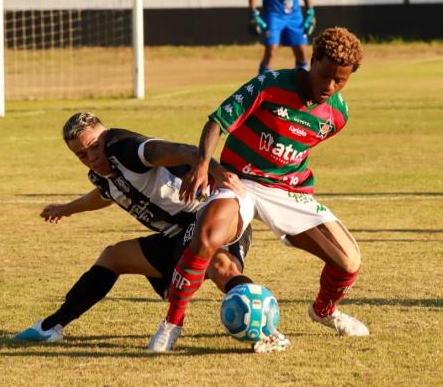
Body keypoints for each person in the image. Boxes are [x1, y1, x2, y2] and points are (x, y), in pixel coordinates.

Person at [148, 27, 369, 353]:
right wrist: (202, 164)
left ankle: (324, 311)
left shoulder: (337, 115)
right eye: (325, 76)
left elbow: (298, 145)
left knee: (349, 261)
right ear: (313, 59)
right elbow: (217, 122)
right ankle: (172, 323)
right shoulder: (269, 85)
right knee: (207, 238)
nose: (330, 87)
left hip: (289, 191)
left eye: (341, 81)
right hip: (241, 180)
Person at [15, 112, 290, 353]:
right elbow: (106, 194)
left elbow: (181, 150)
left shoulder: (126, 148)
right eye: (81, 154)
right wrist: (67, 208)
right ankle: (51, 327)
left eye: (94, 147)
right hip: (176, 234)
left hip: (211, 215)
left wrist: (216, 171)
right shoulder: (101, 174)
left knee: (219, 266)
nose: (91, 157)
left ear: (105, 135)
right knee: (113, 256)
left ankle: (269, 332)